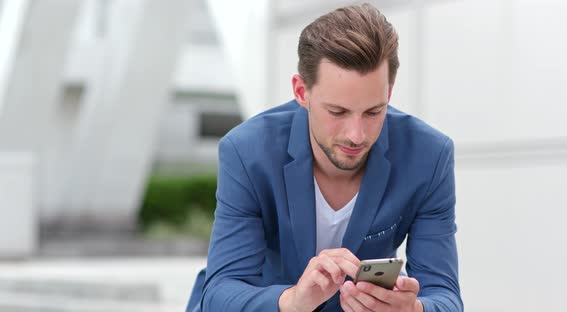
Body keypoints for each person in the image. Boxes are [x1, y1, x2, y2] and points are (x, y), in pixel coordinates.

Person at [186, 3, 462, 312]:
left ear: (390, 91)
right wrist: (292, 301)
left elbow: (446, 296)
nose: (356, 135)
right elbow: (220, 294)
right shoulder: (248, 151)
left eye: (373, 111)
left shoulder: (429, 156)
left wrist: (411, 310)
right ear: (302, 92)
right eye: (337, 112)